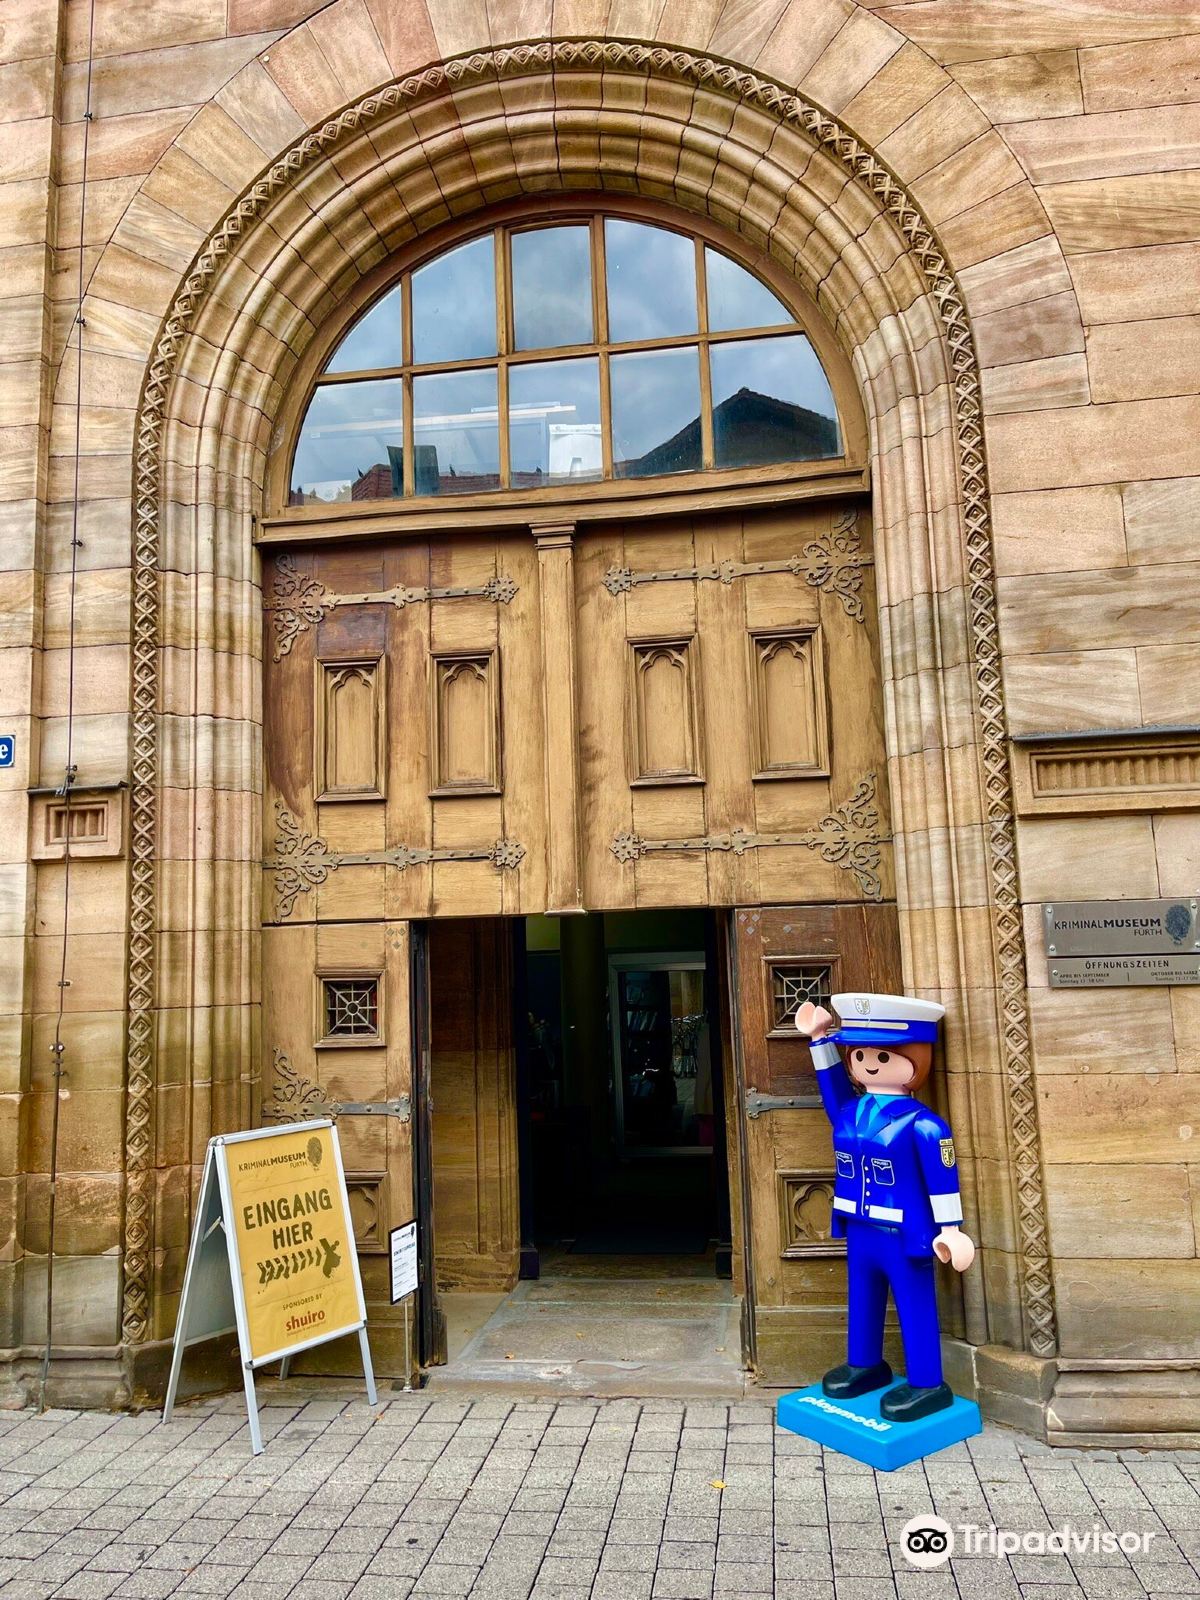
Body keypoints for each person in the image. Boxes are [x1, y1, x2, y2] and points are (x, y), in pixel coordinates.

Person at [794, 992, 974, 1422]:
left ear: (916, 1060)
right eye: (859, 1055)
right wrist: (818, 1039)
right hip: (859, 1225)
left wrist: (951, 1229)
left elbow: (942, 1178)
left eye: (883, 1055)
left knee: (914, 1303)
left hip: (904, 1230)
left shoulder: (925, 1124)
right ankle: (864, 1364)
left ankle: (927, 1382)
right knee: (862, 1296)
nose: (869, 1064)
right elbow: (832, 1087)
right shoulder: (850, 1112)